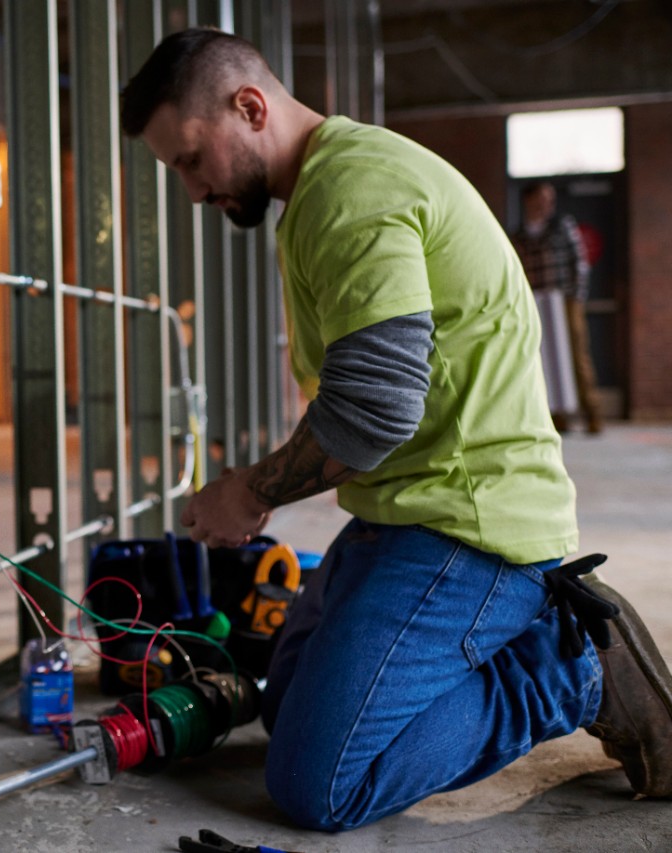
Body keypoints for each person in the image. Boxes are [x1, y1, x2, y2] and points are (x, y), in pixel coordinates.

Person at [120, 27, 672, 831]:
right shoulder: (322, 191)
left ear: (249, 106)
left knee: (320, 781)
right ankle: (508, 640)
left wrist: (251, 488)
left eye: (191, 159)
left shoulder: (353, 190)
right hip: (400, 510)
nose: (193, 190)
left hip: (468, 525)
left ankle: (569, 664)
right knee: (287, 705)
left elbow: (374, 410)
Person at [512, 181, 604, 434]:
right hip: (537, 301)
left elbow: (580, 263)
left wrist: (576, 296)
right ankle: (557, 415)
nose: (547, 204)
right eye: (542, 198)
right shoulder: (519, 234)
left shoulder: (563, 226)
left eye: (550, 199)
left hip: (565, 300)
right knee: (544, 358)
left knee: (577, 355)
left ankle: (592, 413)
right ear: (528, 200)